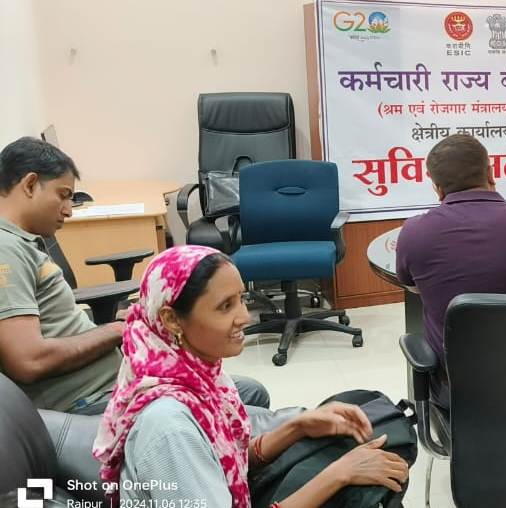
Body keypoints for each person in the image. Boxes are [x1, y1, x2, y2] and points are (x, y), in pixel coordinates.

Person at [92, 245, 409, 507]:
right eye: (225, 307)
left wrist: (298, 426)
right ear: (172, 320)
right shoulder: (169, 428)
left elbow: (227, 460)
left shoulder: (197, 376)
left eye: (241, 299)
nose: (244, 317)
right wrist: (338, 475)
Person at [0, 137, 269, 413]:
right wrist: (118, 329)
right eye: (63, 194)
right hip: (89, 399)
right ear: (30, 185)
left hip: (115, 381)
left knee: (248, 391)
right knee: (250, 401)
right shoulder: (5, 250)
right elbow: (28, 361)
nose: (68, 210)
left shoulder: (21, 242)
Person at [396, 134, 506, 406]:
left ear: (437, 188)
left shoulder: (414, 232)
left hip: (455, 389)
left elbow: (413, 286)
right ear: (490, 173)